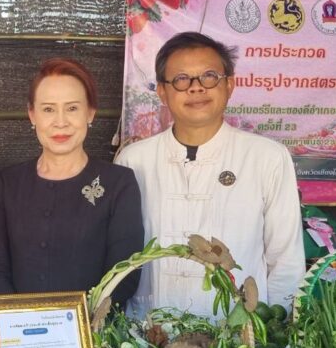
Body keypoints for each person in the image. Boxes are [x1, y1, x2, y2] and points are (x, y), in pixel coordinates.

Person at [115, 31, 305, 315]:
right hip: (148, 329)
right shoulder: (134, 160)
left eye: (209, 76)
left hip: (237, 333)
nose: (196, 88)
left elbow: (286, 261)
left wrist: (274, 328)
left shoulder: (267, 157)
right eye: (181, 79)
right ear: (162, 91)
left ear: (229, 84)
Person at [0, 58, 143, 302]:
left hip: (95, 325)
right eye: (48, 109)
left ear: (90, 112)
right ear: (32, 115)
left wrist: (82, 320)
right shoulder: (7, 185)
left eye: (72, 108)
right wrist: (19, 318)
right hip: (19, 324)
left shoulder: (118, 184)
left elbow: (124, 274)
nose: (60, 122)